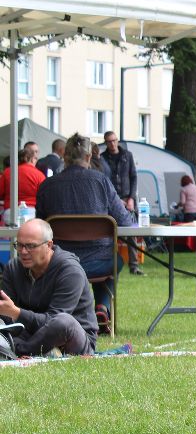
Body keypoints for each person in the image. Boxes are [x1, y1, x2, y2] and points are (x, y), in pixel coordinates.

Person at [34, 134, 136, 329]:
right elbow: (123, 220)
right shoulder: (102, 182)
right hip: (100, 263)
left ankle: (66, 310)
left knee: (95, 257)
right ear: (89, 157)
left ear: (64, 156)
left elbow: (39, 227)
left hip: (60, 262)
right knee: (116, 260)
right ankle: (102, 307)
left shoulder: (48, 186)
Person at [0, 219, 98, 357]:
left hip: (70, 339)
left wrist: (16, 313)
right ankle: (35, 352)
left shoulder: (70, 271)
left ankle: (18, 352)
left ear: (49, 245)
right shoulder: (13, 268)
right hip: (27, 334)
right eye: (19, 245)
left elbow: (52, 321)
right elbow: (7, 319)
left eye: (30, 246)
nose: (23, 251)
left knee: (63, 322)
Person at [101, 131, 142, 275]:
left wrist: (131, 198)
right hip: (112, 199)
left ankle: (134, 265)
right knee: (110, 232)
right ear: (106, 142)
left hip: (128, 197)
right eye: (109, 141)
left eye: (114, 140)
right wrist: (116, 200)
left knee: (132, 232)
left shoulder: (127, 155)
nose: (112, 144)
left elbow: (134, 177)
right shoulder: (102, 158)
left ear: (117, 140)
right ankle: (110, 263)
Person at [0, 148, 45, 220]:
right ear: (32, 159)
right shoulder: (40, 175)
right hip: (32, 213)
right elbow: (43, 197)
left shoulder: (7, 172)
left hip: (10, 212)